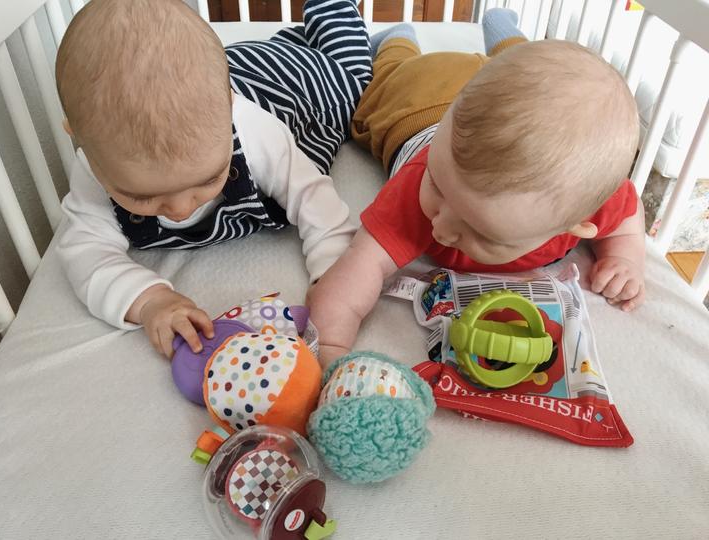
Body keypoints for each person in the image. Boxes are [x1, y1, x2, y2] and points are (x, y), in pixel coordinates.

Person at [308, 9, 645, 366]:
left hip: (495, 107)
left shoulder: (588, 196)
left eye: (480, 232)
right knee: (389, 78)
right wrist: (328, 348)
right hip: (417, 104)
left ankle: (501, 27)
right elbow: (354, 272)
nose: (440, 227)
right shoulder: (416, 186)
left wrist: (624, 257)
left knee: (541, 78)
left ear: (577, 223)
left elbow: (627, 214)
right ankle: (396, 39)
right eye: (437, 186)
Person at [55, 0, 370, 358]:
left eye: (208, 180)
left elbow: (312, 196)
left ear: (230, 110)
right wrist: (149, 300)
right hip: (215, 85)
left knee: (356, 83)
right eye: (142, 197)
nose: (179, 209)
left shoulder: (253, 131)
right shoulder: (98, 160)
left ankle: (331, 9)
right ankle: (294, 40)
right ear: (79, 140)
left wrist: (332, 273)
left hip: (291, 87)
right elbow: (84, 251)